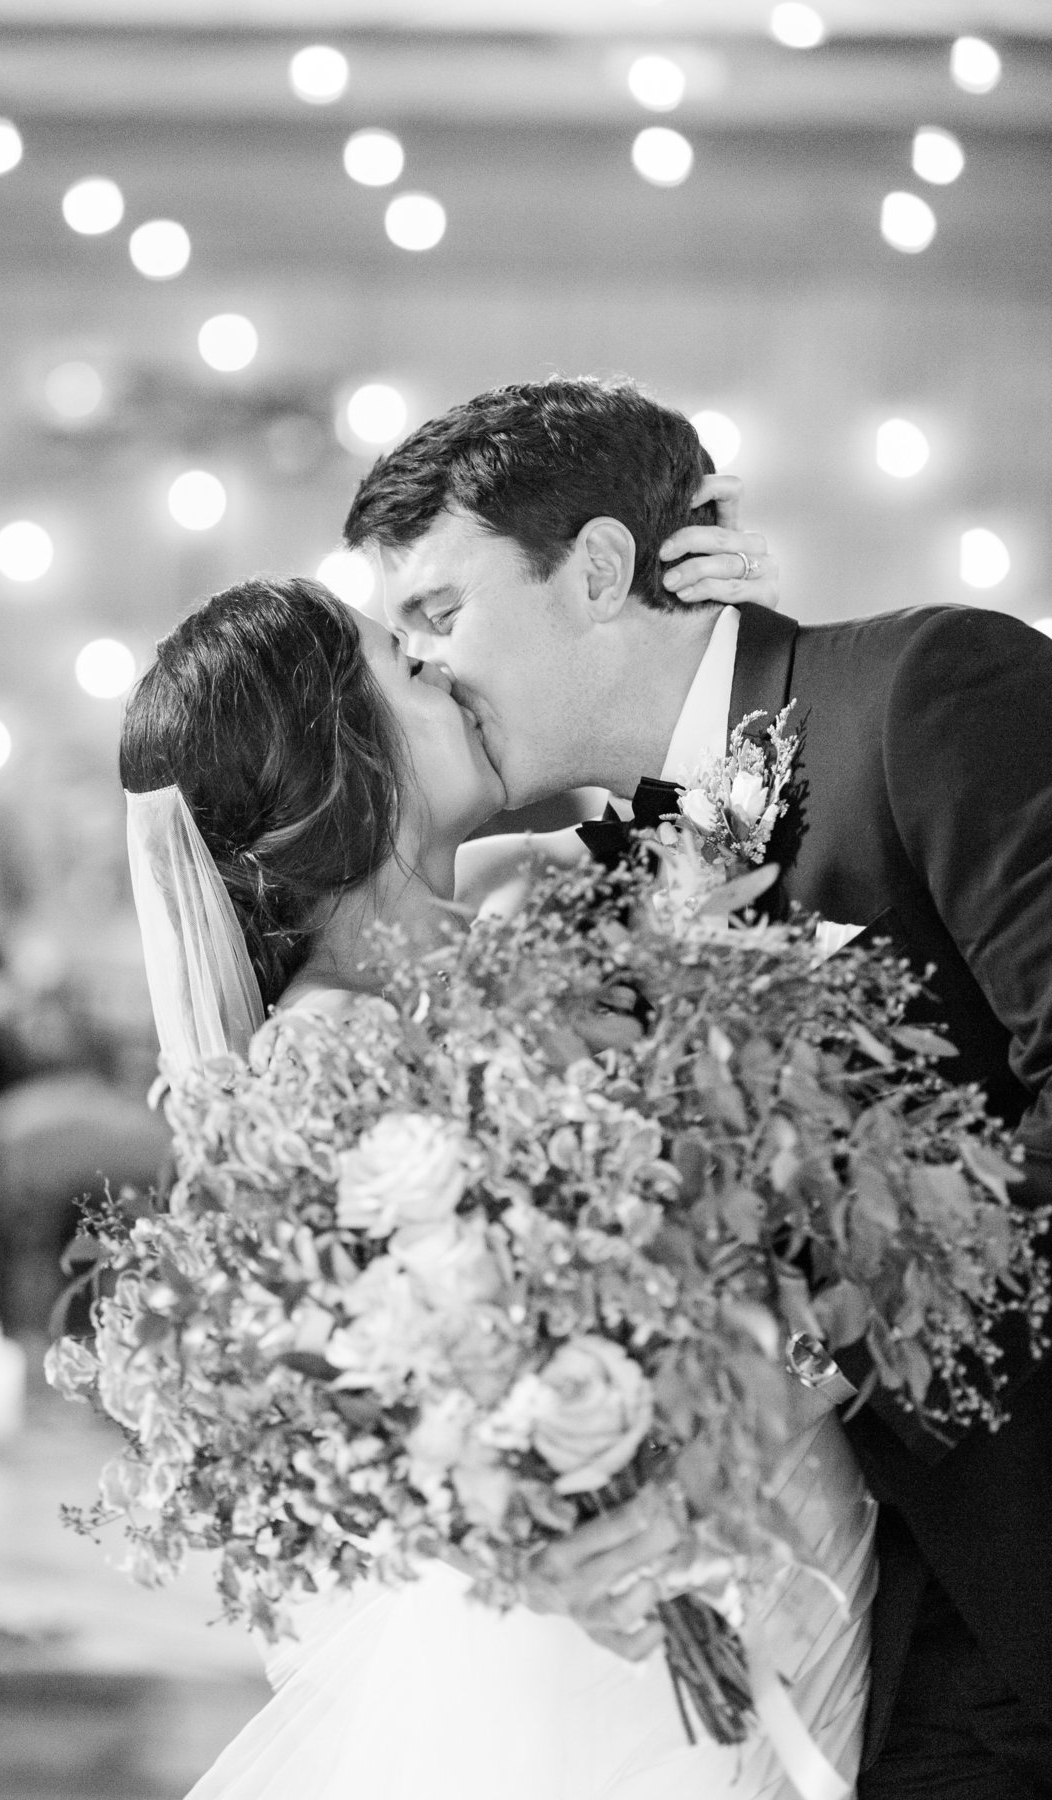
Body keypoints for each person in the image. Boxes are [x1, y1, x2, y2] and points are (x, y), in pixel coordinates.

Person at [343, 375, 1052, 1799]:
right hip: (878, 1614)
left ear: (600, 571)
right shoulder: (604, 905)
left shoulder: (922, 689)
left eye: (437, 615)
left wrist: (814, 1324)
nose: (426, 673)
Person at [120, 566, 876, 1800]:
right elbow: (436, 1408)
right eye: (401, 666)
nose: (446, 667)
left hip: (786, 1528)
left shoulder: (518, 910)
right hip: (628, 1642)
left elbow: (730, 807)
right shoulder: (328, 1061)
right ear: (335, 760)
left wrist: (707, 629)